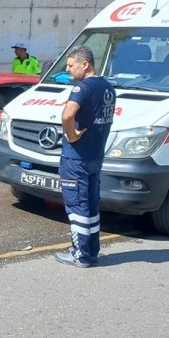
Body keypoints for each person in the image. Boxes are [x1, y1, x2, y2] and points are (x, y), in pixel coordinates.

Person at [54, 45, 116, 268]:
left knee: (77, 206)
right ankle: (91, 252)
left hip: (76, 158)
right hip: (95, 156)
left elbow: (67, 115)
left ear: (85, 64)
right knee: (90, 205)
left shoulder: (82, 88)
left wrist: (71, 136)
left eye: (71, 65)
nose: (68, 70)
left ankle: (80, 255)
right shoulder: (108, 87)